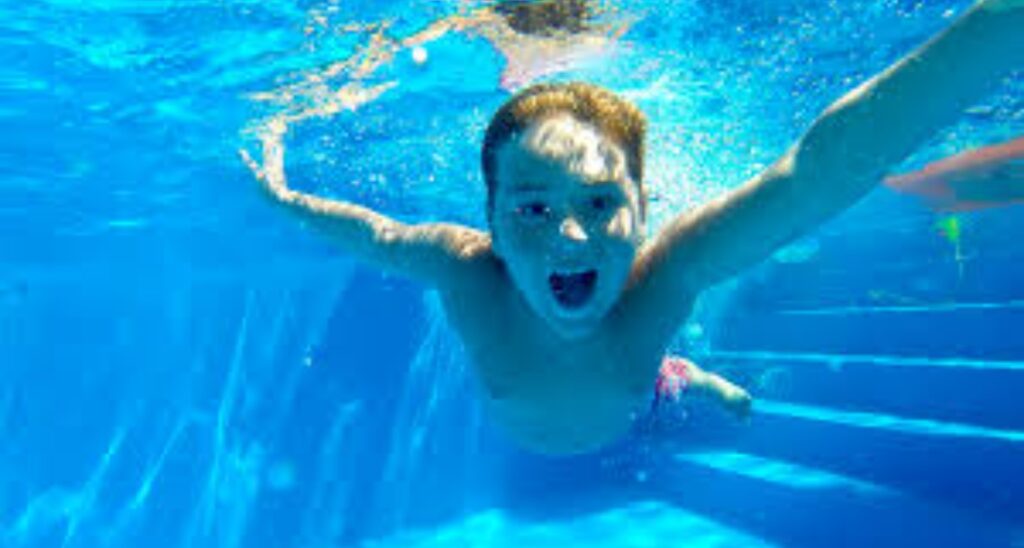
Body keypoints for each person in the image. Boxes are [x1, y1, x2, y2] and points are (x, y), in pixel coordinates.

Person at [242, 0, 1024, 455]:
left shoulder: (664, 277)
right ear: (491, 221)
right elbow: (374, 233)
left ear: (645, 210)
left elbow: (819, 171)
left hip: (631, 399)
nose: (569, 238)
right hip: (615, 390)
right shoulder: (465, 268)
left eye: (599, 202)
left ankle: (686, 375)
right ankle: (684, 373)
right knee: (654, 367)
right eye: (534, 207)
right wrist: (279, 195)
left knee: (657, 372)